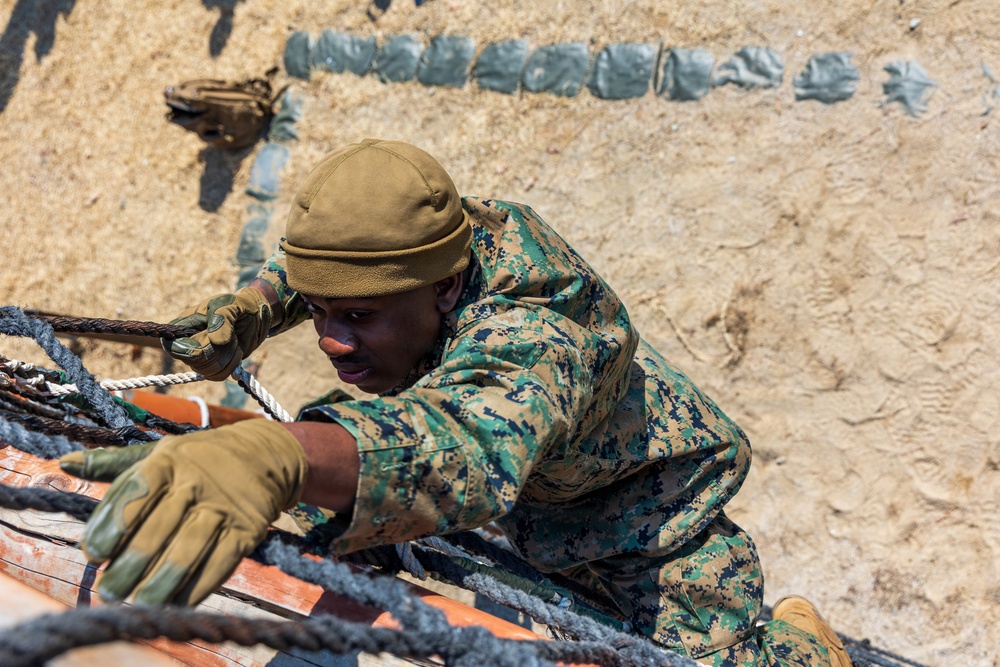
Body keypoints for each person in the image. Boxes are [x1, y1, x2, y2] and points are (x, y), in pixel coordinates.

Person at [60, 139, 851, 667]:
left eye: (359, 318)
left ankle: (804, 639)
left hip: (646, 518)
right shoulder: (431, 236)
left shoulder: (532, 336)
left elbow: (462, 447)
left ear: (443, 286)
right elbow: (331, 266)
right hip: (538, 492)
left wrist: (282, 456)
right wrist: (257, 307)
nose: (332, 340)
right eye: (319, 308)